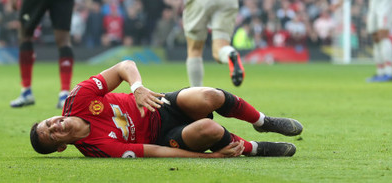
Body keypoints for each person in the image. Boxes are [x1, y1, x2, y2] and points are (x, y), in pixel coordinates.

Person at [30, 60, 303, 158]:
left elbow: (124, 66)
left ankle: (262, 120)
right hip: (165, 135)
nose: (56, 126)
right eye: (52, 134)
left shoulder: (78, 98)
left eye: (49, 122)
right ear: (61, 147)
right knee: (209, 128)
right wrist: (206, 159)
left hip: (162, 104)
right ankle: (255, 148)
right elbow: (154, 151)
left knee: (208, 95)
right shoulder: (95, 148)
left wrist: (137, 87)